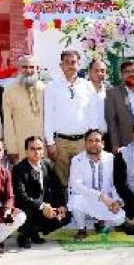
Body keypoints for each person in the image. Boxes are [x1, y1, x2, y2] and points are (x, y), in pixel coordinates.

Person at [43, 49, 95, 186]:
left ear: (79, 64)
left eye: (74, 62)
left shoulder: (87, 86)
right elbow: (48, 116)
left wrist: (92, 139)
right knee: (62, 182)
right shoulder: (52, 86)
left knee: (82, 180)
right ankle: (64, 207)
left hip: (82, 142)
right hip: (61, 143)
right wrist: (50, 143)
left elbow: (92, 113)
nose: (70, 66)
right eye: (67, 62)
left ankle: (81, 207)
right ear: (61, 65)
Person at [66, 129, 125, 240]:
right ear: (85, 143)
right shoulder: (77, 160)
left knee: (120, 218)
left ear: (103, 143)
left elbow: (114, 185)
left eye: (97, 140)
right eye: (90, 140)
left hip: (106, 202)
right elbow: (76, 186)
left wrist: (117, 201)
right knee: (75, 199)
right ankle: (81, 229)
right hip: (87, 200)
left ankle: (101, 223)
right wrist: (100, 196)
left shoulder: (111, 159)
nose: (93, 144)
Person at [12, 136, 69, 247]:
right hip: (27, 206)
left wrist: (61, 205)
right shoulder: (19, 168)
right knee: (26, 211)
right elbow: (21, 196)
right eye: (32, 149)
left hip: (44, 207)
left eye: (39, 149)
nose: (36, 152)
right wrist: (42, 206)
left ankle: (35, 232)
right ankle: (24, 235)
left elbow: (58, 187)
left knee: (66, 215)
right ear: (26, 151)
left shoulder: (47, 164)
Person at [2, 55, 45, 164]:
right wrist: (12, 148)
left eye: (32, 67)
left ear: (37, 69)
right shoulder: (9, 90)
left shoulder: (44, 88)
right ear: (19, 69)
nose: (28, 70)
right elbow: (7, 121)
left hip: (42, 146)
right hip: (20, 146)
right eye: (24, 67)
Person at [105, 59, 134, 150]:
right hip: (124, 143)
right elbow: (112, 123)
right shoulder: (113, 94)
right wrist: (115, 145)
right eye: (127, 72)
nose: (131, 74)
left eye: (133, 71)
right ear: (121, 75)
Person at [85, 58, 110, 142]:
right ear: (89, 72)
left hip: (105, 138)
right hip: (86, 138)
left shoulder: (109, 91)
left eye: (102, 71)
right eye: (96, 70)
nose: (100, 73)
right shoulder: (81, 90)